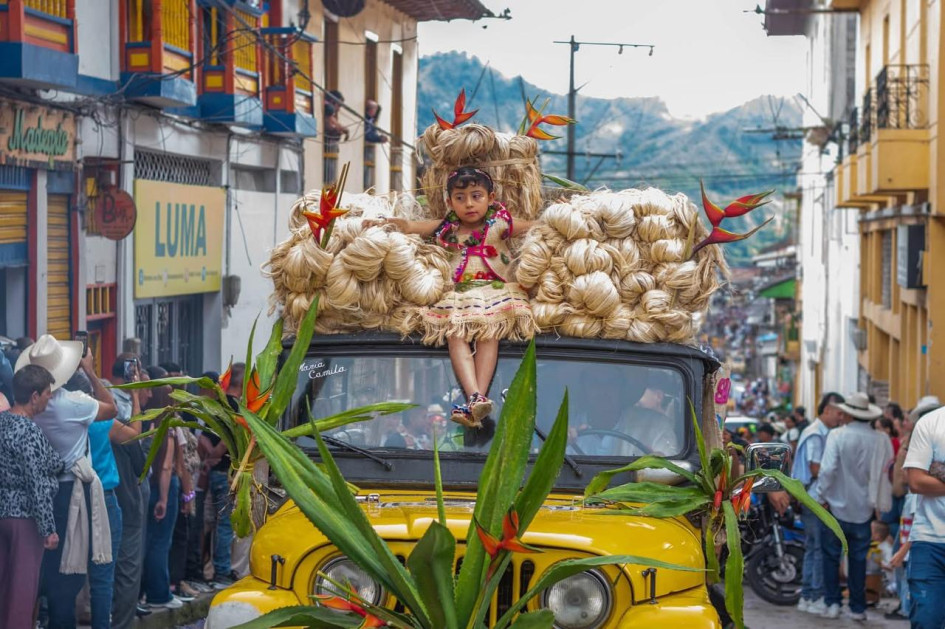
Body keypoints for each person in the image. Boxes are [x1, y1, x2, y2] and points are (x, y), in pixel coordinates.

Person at [365, 166, 538, 428]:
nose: (469, 204)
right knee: (455, 334)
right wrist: (389, 224)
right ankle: (475, 396)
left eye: (476, 196)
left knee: (488, 333)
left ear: (491, 198)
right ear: (450, 202)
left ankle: (477, 398)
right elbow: (411, 226)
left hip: (496, 293)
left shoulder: (501, 223)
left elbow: (535, 226)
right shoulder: (446, 228)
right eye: (460, 197)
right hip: (458, 296)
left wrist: (562, 214)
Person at [17, 335, 117, 629]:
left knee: (45, 569)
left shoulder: (25, 407)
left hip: (35, 491)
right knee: (70, 573)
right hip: (70, 491)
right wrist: (91, 371)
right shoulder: (73, 404)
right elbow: (112, 408)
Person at [818, 392, 894, 621]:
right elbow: (885, 474)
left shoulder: (837, 435)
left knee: (831, 557)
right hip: (864, 509)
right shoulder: (880, 439)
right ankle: (858, 608)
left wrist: (821, 496)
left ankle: (832, 603)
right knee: (859, 560)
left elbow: (827, 470)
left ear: (849, 414)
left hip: (835, 508)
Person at [0, 365, 62, 629]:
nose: (51, 397)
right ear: (34, 396)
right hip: (24, 518)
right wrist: (48, 528)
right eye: (48, 393)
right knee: (21, 591)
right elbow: (36, 482)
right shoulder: (30, 431)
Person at [108, 355, 152, 627]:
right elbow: (134, 439)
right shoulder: (112, 411)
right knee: (127, 565)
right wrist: (135, 395)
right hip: (125, 493)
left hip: (110, 493)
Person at [792, 391, 845, 616]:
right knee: (817, 549)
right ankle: (814, 596)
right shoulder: (816, 434)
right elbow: (815, 468)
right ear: (827, 410)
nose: (841, 418)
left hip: (813, 497)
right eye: (839, 413)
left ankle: (807, 595)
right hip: (815, 498)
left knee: (813, 548)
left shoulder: (820, 432)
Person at [903, 404, 945, 629]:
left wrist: (938, 471)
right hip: (930, 540)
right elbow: (917, 481)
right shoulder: (931, 423)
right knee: (926, 620)